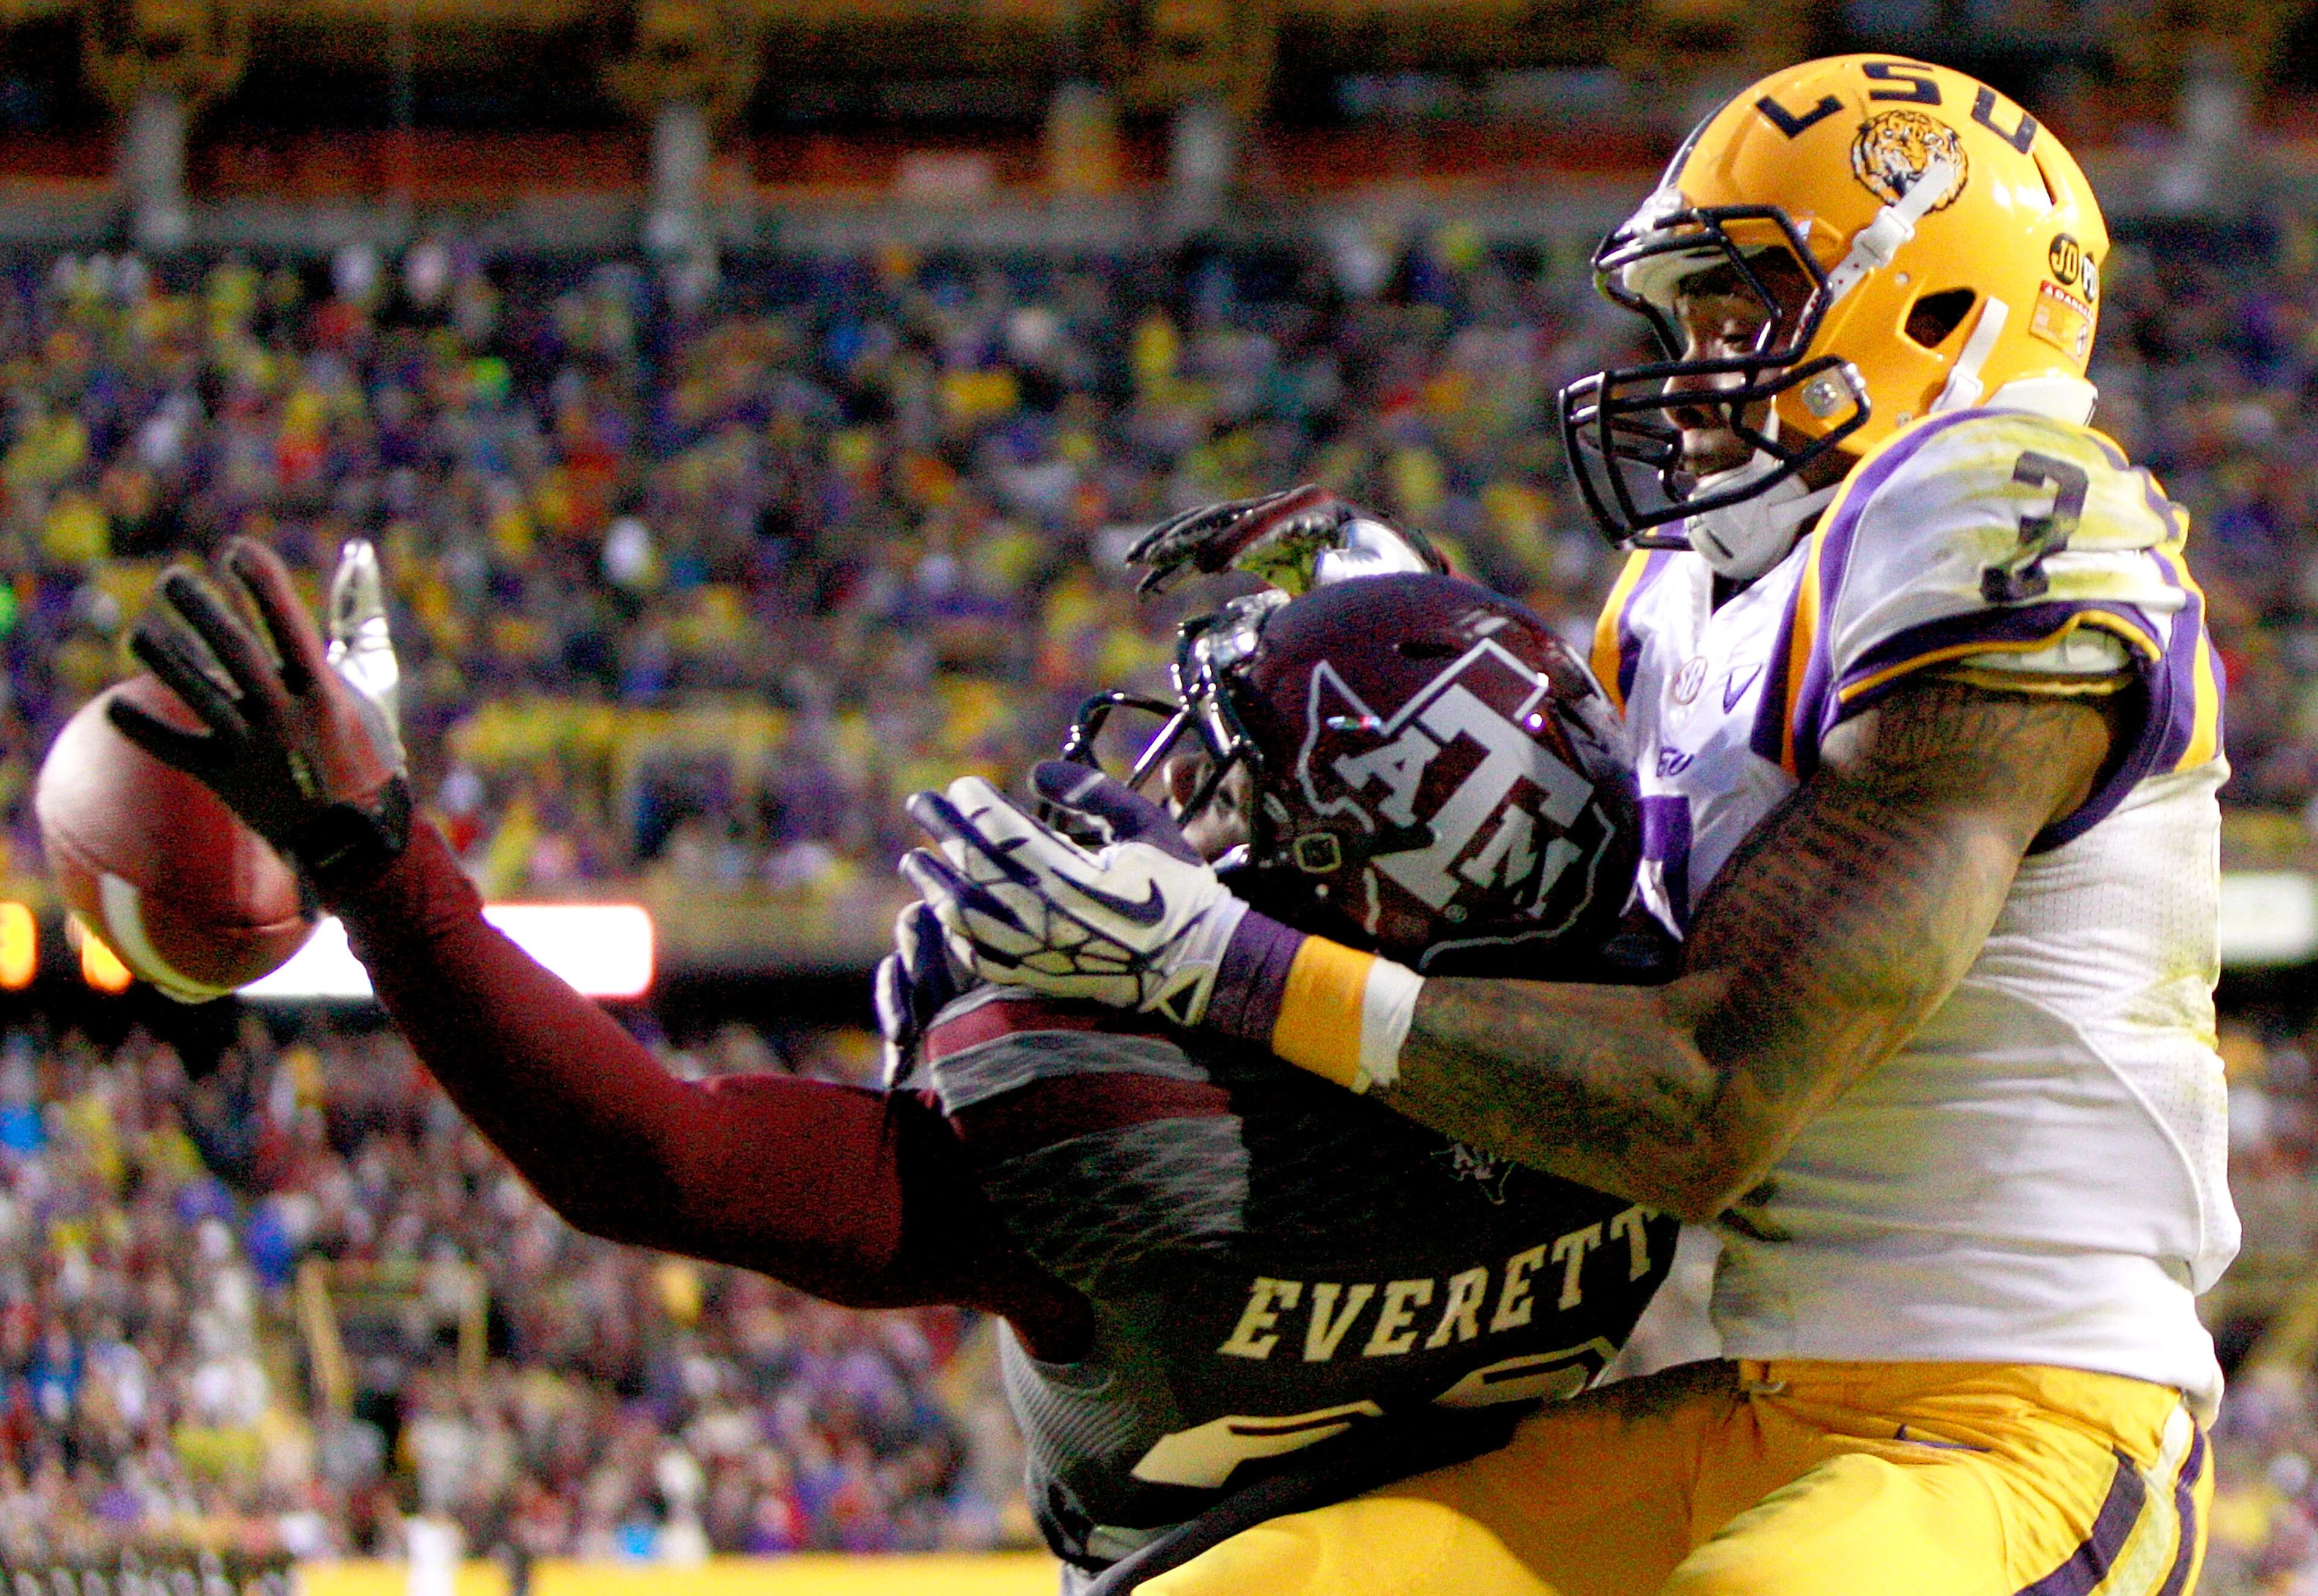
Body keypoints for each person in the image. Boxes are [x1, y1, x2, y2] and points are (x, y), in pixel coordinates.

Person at [898, 54, 2232, 1595]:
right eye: (1687, 319)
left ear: (1937, 307)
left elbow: (1708, 1092)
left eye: (1747, 312)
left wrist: (1223, 961)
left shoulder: (2011, 511)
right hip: (1767, 1401)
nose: (1696, 364)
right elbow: (1556, 937)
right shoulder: (1677, 597)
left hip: (2023, 1426)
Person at [103, 537, 1672, 1588]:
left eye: (1245, 802)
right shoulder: (1667, 1060)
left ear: (1357, 896)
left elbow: (658, 1157)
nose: (1184, 806)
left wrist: (379, 864)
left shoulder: (1115, 1122)